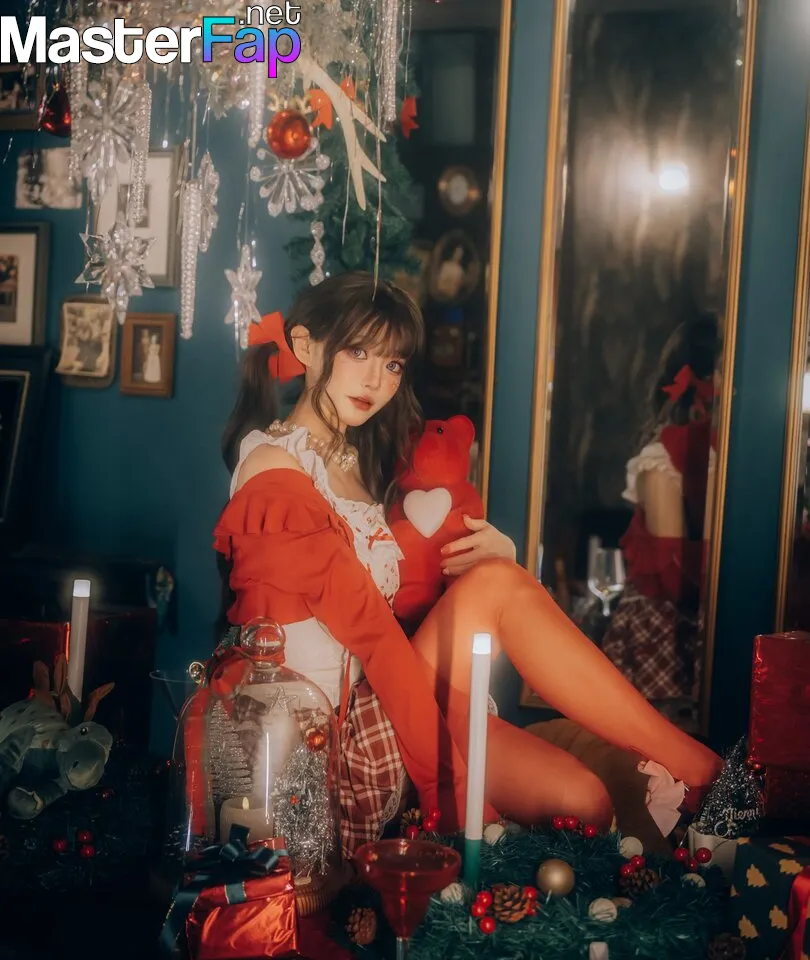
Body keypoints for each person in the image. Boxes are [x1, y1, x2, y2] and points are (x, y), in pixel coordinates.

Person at [214, 273, 722, 860]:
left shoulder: (352, 461)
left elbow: (397, 612)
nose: (376, 381)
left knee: (586, 801)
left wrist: (496, 558)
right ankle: (706, 772)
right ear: (305, 346)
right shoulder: (275, 468)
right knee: (498, 591)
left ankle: (700, 776)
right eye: (357, 353)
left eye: (393, 363)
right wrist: (452, 798)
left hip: (392, 691)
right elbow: (374, 638)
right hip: (330, 740)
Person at [602, 313, 718, 712]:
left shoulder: (733, 456)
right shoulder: (662, 461)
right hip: (662, 631)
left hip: (708, 622)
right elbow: (672, 574)